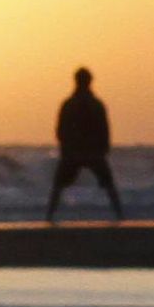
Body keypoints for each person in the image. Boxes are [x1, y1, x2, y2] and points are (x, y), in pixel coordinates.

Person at [47, 67, 122, 223]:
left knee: (58, 186)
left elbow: (60, 131)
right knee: (109, 186)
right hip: (93, 153)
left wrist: (65, 149)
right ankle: (120, 215)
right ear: (90, 81)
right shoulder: (96, 104)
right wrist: (103, 149)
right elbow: (105, 129)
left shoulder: (68, 104)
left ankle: (48, 217)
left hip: (73, 153)